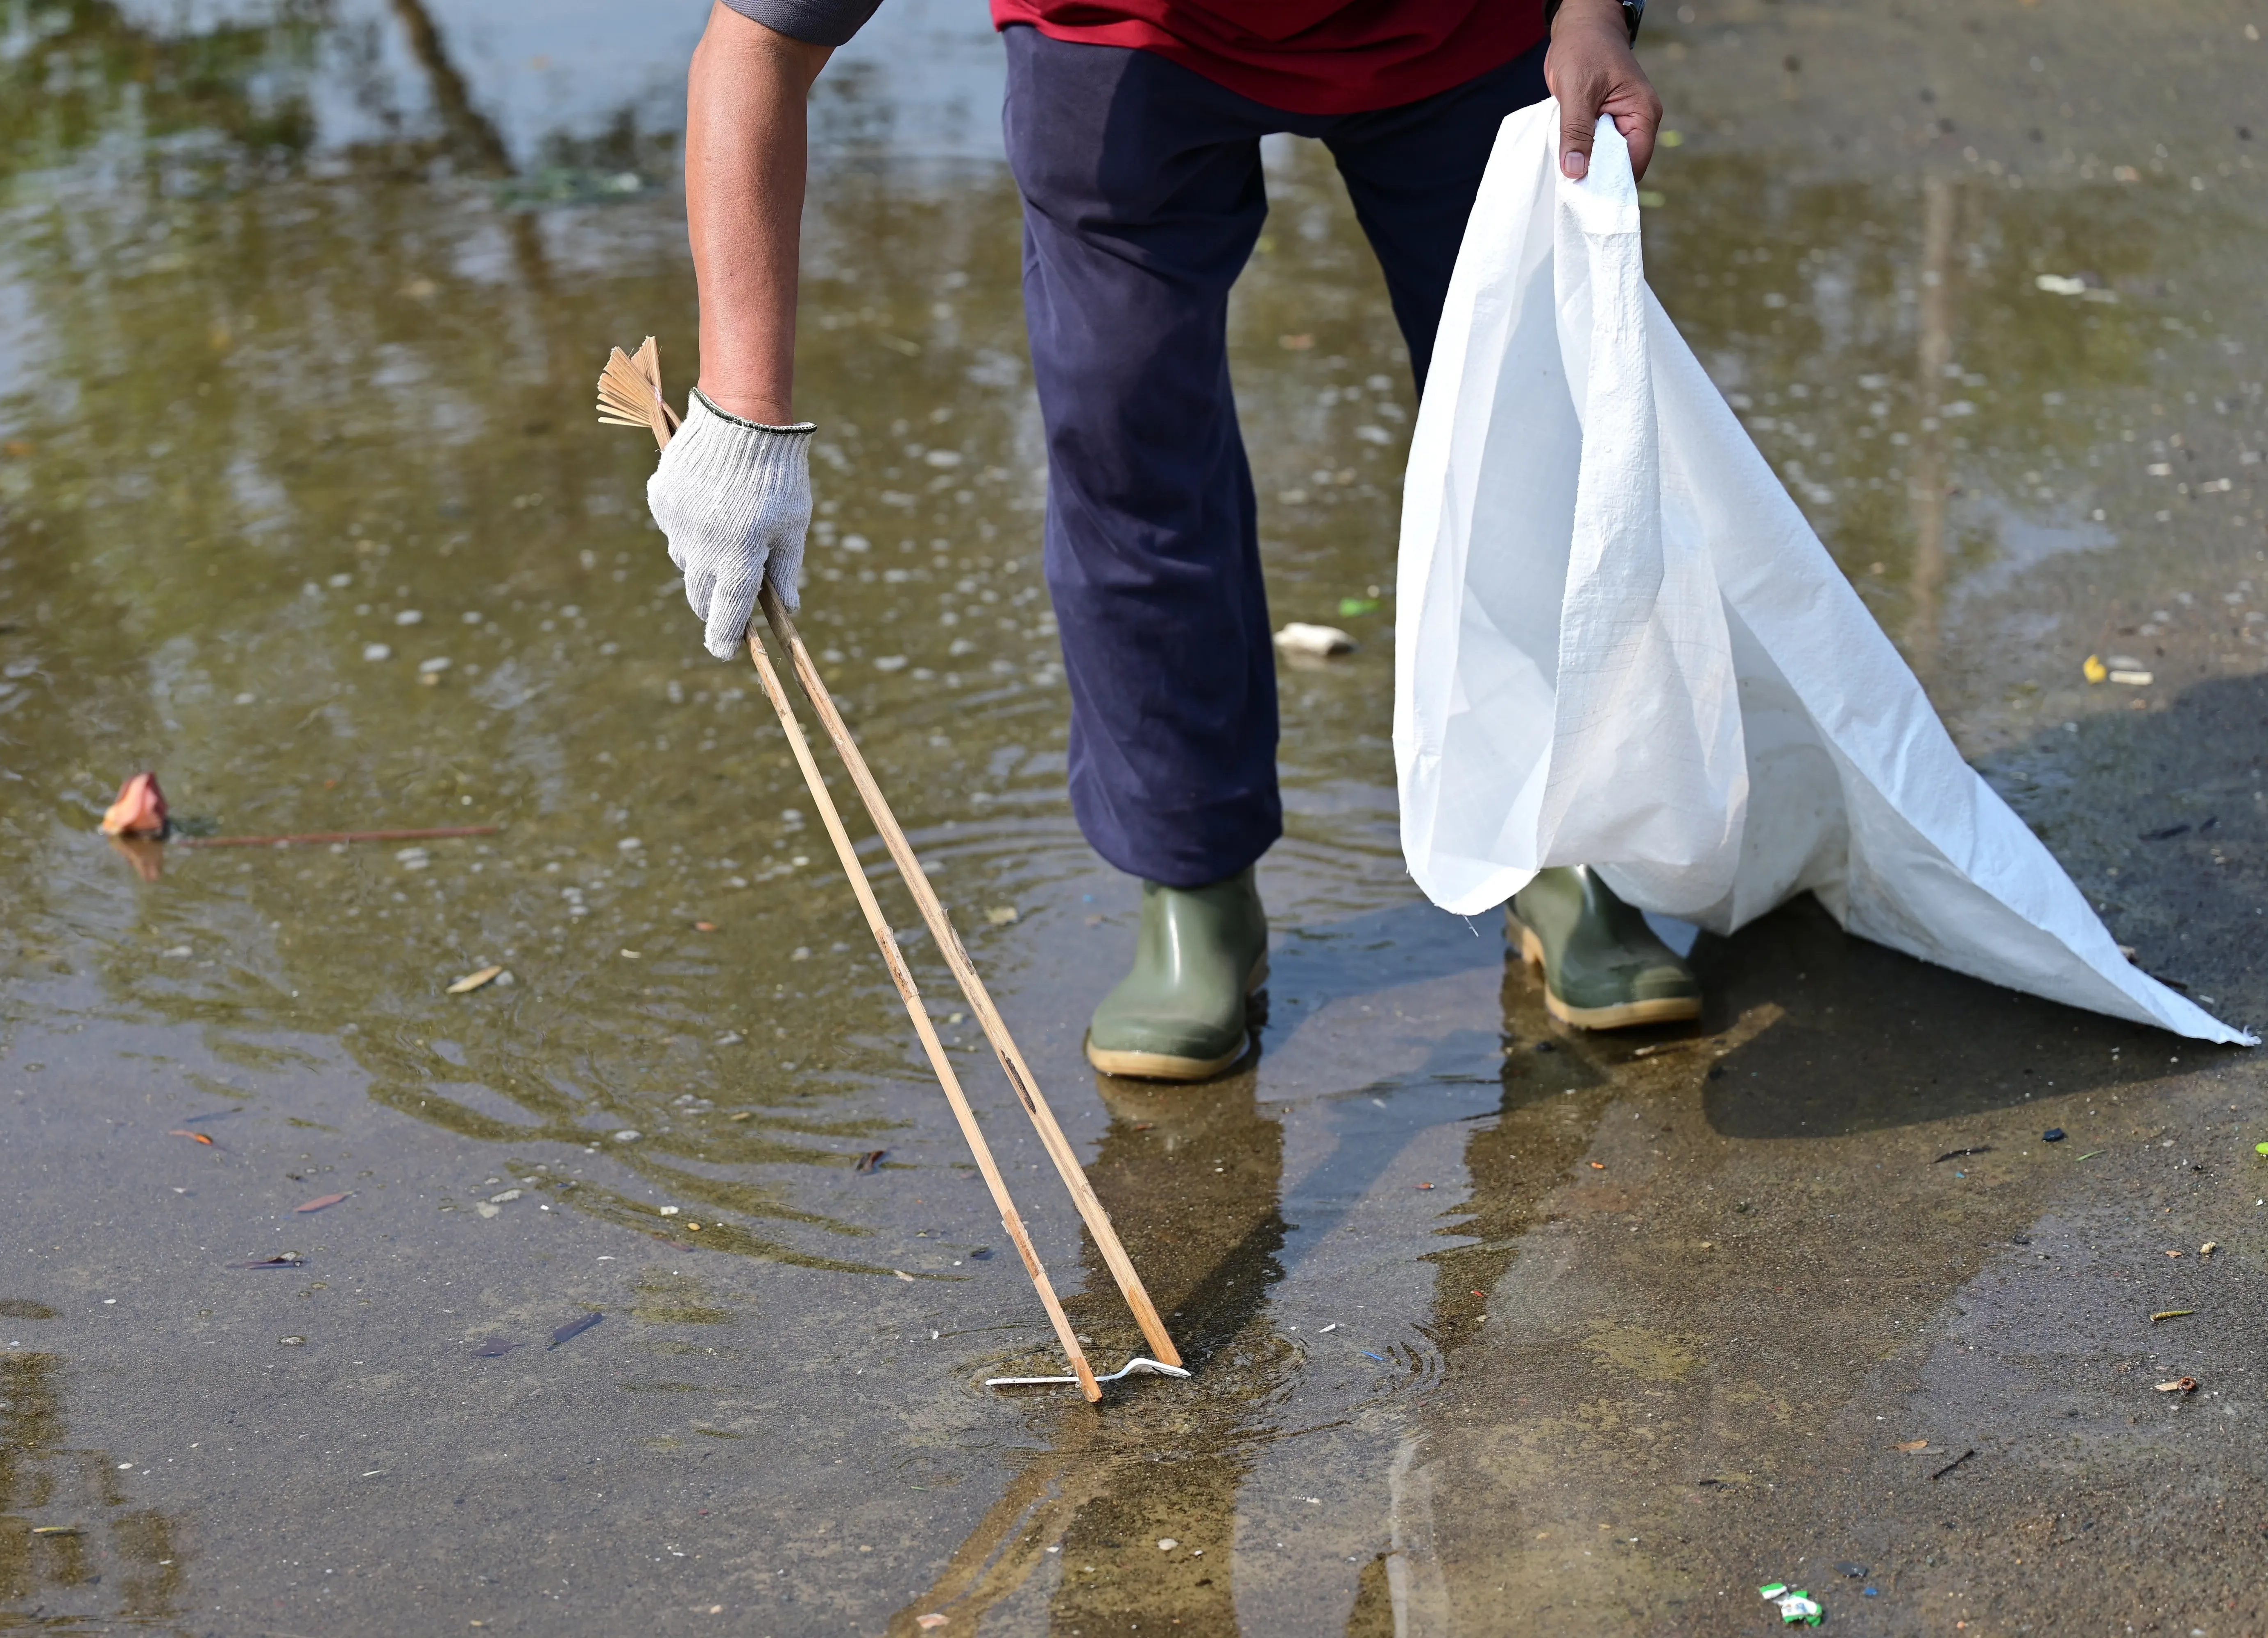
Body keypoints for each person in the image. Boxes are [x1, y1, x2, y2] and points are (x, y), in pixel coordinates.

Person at [645, 0, 1700, 1084]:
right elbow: (758, 47)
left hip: (1457, 30)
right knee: (1125, 431)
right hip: (1119, 38)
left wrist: (1592, 7)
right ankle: (1194, 887)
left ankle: (1562, 838)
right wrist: (743, 413)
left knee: (1535, 418)